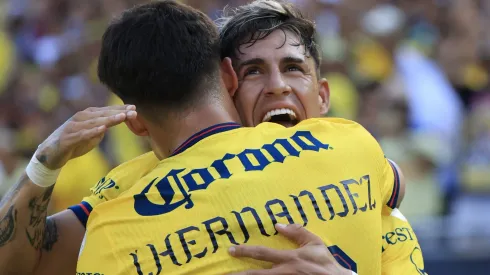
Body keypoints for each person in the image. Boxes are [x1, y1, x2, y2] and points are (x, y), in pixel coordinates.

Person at [0, 1, 418, 275]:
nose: (277, 87)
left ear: (324, 94)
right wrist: (44, 164)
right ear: (229, 81)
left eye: (293, 68)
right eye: (254, 70)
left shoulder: (356, 160)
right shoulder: (123, 195)